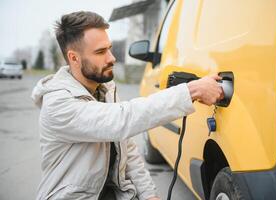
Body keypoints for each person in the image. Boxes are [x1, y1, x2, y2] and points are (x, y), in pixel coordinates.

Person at [31, 11, 223, 200]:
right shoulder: (57, 103)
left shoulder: (104, 88)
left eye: (109, 48)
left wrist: (149, 195)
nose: (111, 58)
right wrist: (191, 91)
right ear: (74, 58)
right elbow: (122, 119)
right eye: (100, 52)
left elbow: (127, 151)